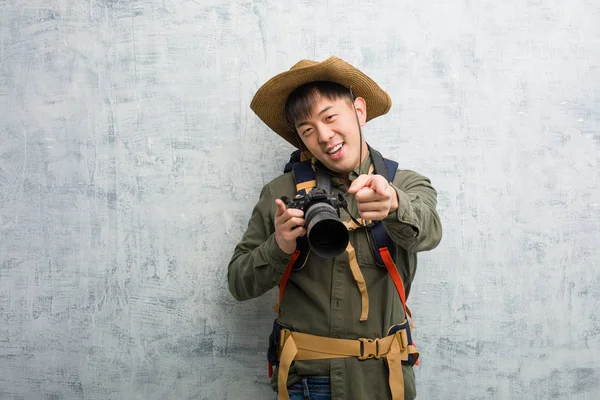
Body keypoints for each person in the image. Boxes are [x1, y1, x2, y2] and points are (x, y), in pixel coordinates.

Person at [228, 56, 442, 400]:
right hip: (308, 382)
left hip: (384, 381)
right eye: (307, 130)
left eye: (330, 117)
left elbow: (430, 232)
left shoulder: (406, 183)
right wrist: (279, 245)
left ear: (359, 110)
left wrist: (394, 205)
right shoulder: (280, 194)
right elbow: (238, 283)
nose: (324, 136)